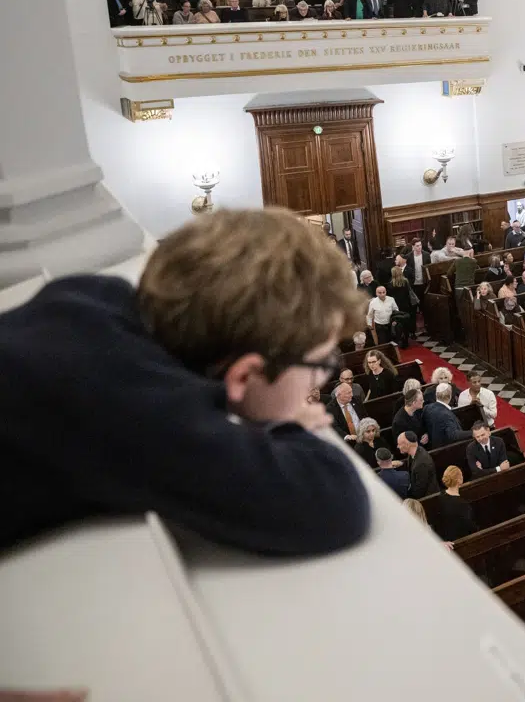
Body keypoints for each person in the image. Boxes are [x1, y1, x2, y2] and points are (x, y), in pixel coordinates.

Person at [1, 208, 377, 555]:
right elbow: (334, 500)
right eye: (317, 365)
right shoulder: (140, 411)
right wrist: (282, 421)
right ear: (244, 375)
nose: (319, 380)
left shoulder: (94, 295)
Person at [432, 466, 477, 543]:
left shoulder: (440, 498)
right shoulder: (462, 505)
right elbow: (470, 527)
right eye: (461, 475)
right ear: (459, 480)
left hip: (444, 541)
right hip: (459, 542)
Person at [397, 430, 439, 498]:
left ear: (407, 445)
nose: (397, 446)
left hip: (428, 498)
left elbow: (418, 492)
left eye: (399, 444)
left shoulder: (421, 464)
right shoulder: (416, 450)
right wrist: (401, 463)